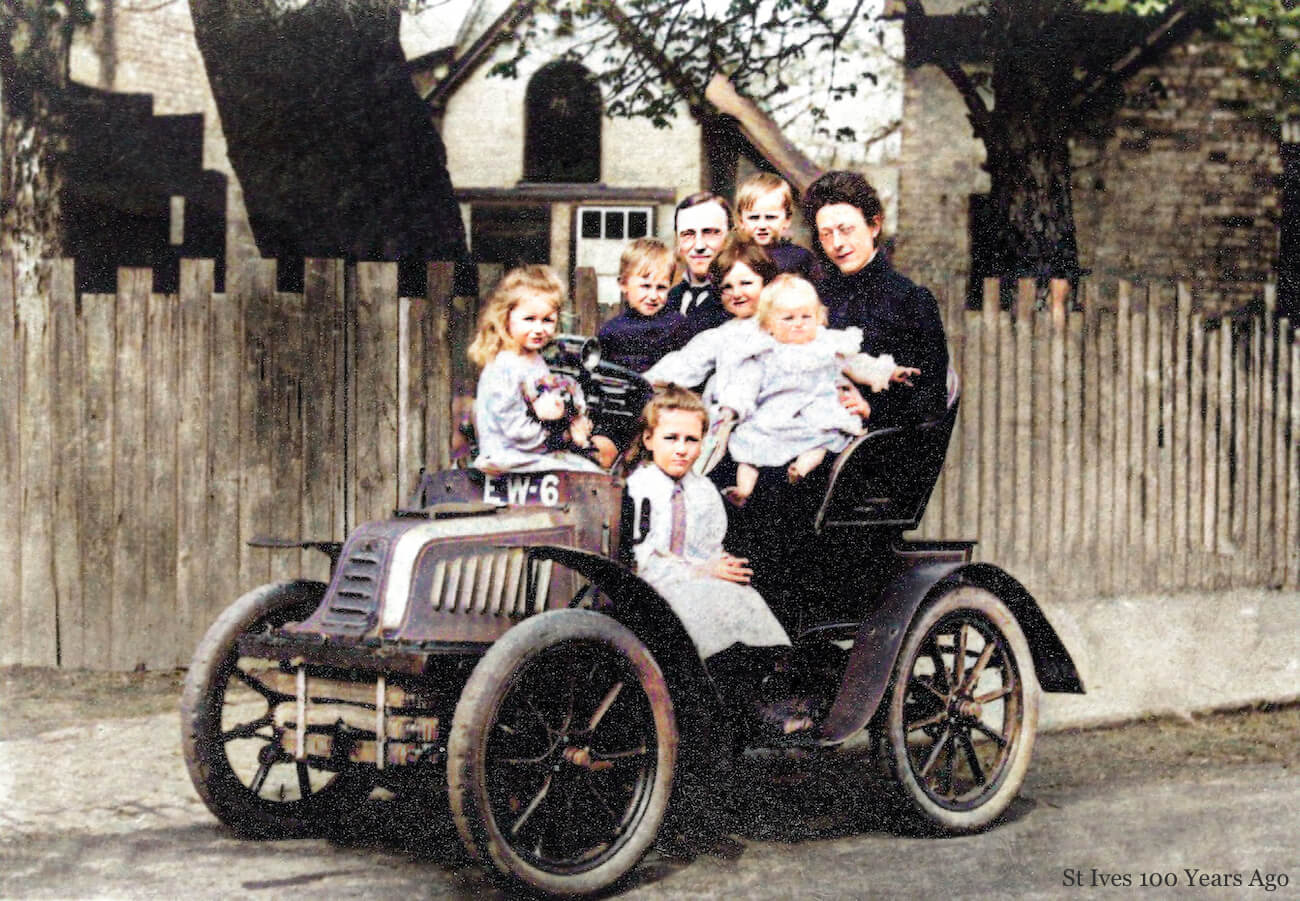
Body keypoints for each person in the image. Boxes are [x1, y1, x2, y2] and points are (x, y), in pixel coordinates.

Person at [625, 385, 811, 735]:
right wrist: (701, 570)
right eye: (671, 438)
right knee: (707, 604)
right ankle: (729, 713)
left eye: (691, 440)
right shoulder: (639, 489)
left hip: (696, 579)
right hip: (655, 585)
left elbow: (709, 544)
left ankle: (753, 702)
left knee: (740, 596)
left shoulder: (702, 490)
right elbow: (640, 557)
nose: (682, 449)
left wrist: (718, 565)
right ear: (649, 440)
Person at [714, 275, 918, 505]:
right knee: (748, 447)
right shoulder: (765, 351)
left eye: (806, 317)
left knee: (823, 439)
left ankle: (800, 469)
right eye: (788, 318)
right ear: (768, 324)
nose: (798, 323)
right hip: (774, 416)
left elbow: (858, 365)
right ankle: (743, 489)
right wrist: (730, 409)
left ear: (818, 317)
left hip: (817, 413)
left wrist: (890, 372)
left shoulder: (826, 344)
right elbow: (744, 386)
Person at [804, 170, 949, 429]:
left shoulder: (911, 301)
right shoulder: (813, 298)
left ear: (874, 225)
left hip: (877, 446)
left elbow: (931, 398)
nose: (837, 243)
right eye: (826, 234)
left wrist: (871, 410)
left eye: (846, 230)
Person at [467, 265, 604, 474]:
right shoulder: (504, 365)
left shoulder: (535, 359)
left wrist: (573, 416)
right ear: (506, 317)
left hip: (530, 452)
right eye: (529, 319)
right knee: (584, 473)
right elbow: (514, 429)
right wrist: (561, 435)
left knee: (591, 468)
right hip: (507, 456)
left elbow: (548, 397)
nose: (539, 329)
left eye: (547, 320)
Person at [644, 235, 778, 420]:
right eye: (727, 287)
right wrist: (644, 381)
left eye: (746, 283)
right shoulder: (724, 334)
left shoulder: (786, 325)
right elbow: (685, 363)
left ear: (766, 283)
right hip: (730, 423)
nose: (737, 293)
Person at [596, 237, 688, 373]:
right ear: (623, 284)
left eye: (661, 287)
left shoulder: (677, 325)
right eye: (645, 286)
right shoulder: (611, 331)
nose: (653, 296)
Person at [666, 192, 732, 339]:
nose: (699, 246)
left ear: (730, 237)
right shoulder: (667, 299)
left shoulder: (739, 298)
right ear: (677, 239)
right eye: (688, 234)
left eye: (710, 233)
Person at [735, 172, 820, 282]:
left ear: (787, 220)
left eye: (770, 217)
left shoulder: (800, 258)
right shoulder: (733, 255)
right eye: (754, 217)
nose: (762, 225)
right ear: (741, 220)